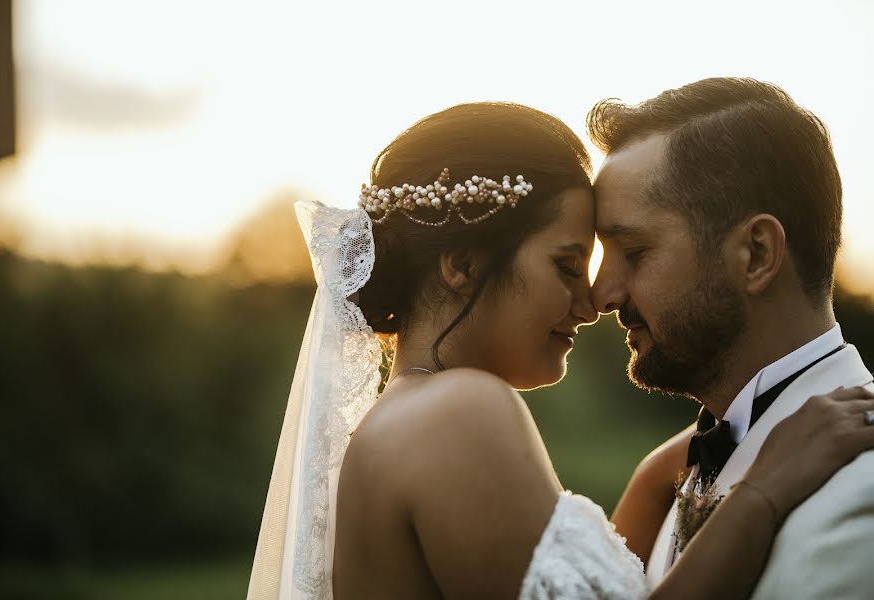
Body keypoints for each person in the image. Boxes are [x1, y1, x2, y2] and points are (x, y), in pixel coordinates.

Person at [247, 101, 874, 599]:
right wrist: (762, 491)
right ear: (461, 265)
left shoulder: (411, 412)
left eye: (630, 253)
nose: (594, 298)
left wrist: (674, 469)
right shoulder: (456, 412)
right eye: (568, 265)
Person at [588, 77, 874, 598]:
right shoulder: (697, 461)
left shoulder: (861, 491)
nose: (601, 294)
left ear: (757, 254)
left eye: (633, 252)